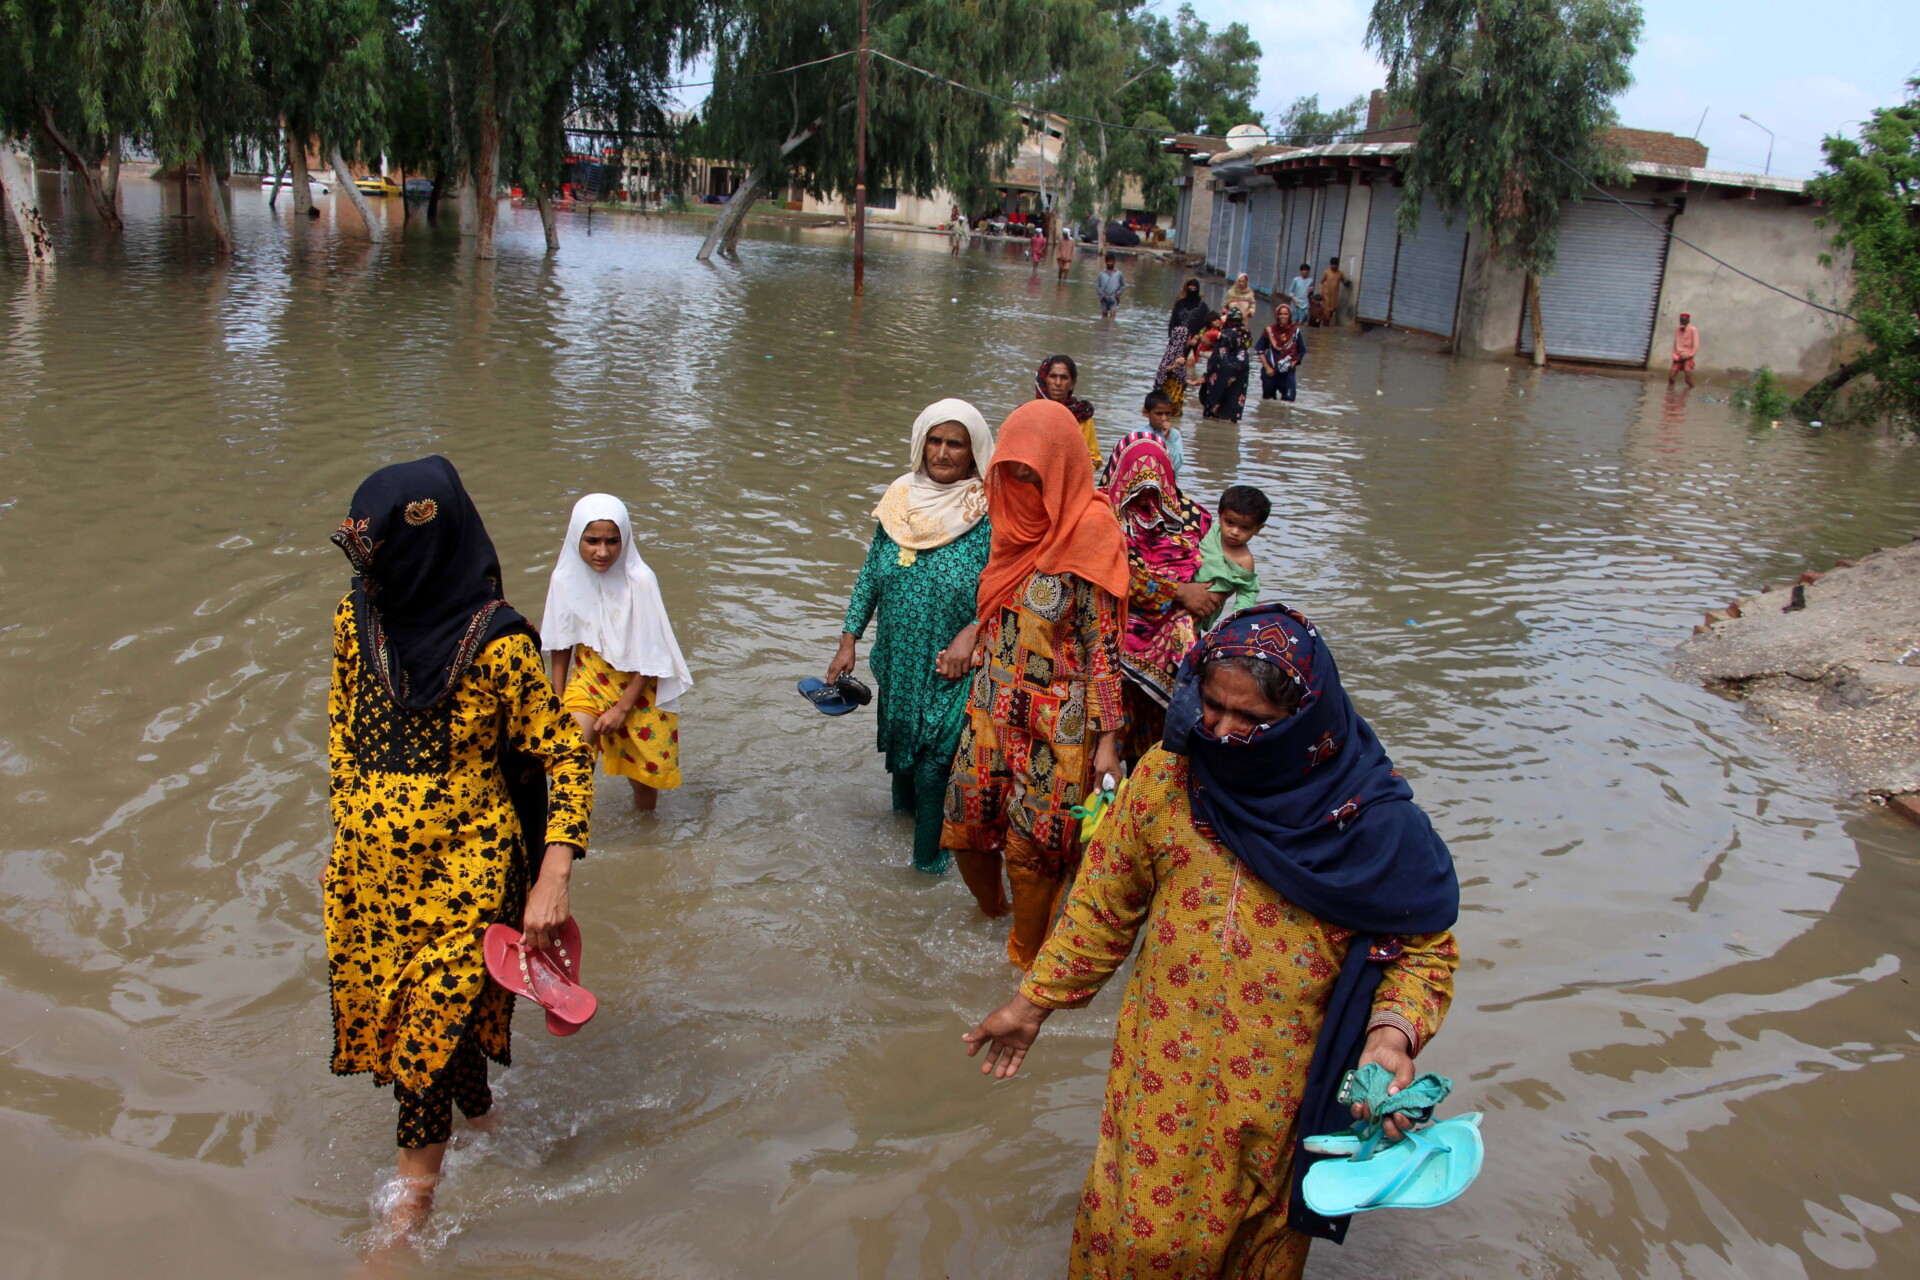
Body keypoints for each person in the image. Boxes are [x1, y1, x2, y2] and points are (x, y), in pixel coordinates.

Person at [963, 605, 1462, 1280]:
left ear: (1308, 723)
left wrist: (1390, 1037)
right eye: (1213, 707)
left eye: (1252, 720)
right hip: (1158, 1088)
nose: (1222, 732)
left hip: (1283, 1099)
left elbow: (1423, 950)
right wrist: (1031, 1005)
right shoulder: (1168, 784)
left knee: (1258, 1250)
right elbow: (1101, 909)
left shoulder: (1368, 827)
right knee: (1134, 1244)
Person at [325, 457, 595, 1242]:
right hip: (373, 875)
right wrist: (341, 839)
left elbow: (566, 755)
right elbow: (344, 735)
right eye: (362, 562)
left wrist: (553, 873)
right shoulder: (357, 623)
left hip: (468, 870)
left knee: (425, 1039)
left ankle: (409, 1209)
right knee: (419, 1021)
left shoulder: (498, 645)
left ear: (428, 546)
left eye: (380, 560)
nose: (369, 578)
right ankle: (483, 1117)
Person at [941, 399, 1129, 969]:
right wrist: (974, 635)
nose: (1021, 484)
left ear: (1063, 467)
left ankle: (1027, 962)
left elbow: (1104, 650)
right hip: (992, 706)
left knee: (1033, 851)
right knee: (966, 824)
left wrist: (1108, 741)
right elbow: (998, 603)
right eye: (1011, 471)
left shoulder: (1090, 532)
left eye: (1034, 474)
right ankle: (994, 915)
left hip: (1060, 725)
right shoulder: (1007, 522)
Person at [829, 400, 996, 873]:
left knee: (933, 767)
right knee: (902, 753)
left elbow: (1008, 583)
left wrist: (973, 631)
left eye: (955, 443)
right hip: (899, 656)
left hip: (954, 661)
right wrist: (849, 639)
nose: (943, 453)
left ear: (974, 451)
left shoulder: (988, 509)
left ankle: (928, 869)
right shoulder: (900, 498)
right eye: (935, 441)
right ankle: (902, 838)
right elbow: (870, 574)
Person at [542, 494, 693, 813]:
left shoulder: (640, 580)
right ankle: (565, 840)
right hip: (589, 680)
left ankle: (646, 839)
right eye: (592, 541)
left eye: (613, 541)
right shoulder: (564, 577)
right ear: (575, 538)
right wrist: (556, 698)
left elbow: (653, 655)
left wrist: (623, 709)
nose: (603, 551)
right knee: (570, 756)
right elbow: (561, 641)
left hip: (640, 690)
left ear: (625, 538)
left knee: (643, 784)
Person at [1099, 430, 1216, 760]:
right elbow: (1115, 574)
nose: (1146, 492)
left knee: (1157, 750)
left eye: (1154, 481)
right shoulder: (1101, 515)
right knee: (1108, 738)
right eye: (1138, 482)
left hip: (1169, 656)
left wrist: (1207, 597)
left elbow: (1220, 567)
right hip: (1112, 643)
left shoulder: (1191, 517)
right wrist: (1179, 592)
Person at [1195, 484, 1269, 630]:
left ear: (1258, 529)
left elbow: (1247, 593)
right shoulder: (1208, 530)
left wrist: (1235, 622)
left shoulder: (1244, 561)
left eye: (1245, 528)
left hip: (1202, 610)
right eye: (1229, 522)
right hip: (1179, 591)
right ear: (1220, 515)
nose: (1235, 532)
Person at [1036, 354, 1103, 469]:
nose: (1058, 383)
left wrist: (1073, 472)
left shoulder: (1082, 414)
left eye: (1064, 377)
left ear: (1072, 383)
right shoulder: (1028, 414)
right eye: (1053, 376)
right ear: (1044, 380)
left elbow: (1094, 458)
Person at [1199, 313, 1252, 424]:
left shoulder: (1220, 352)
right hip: (1232, 413)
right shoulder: (1243, 355)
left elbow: (1212, 372)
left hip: (1213, 412)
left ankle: (1213, 412)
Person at [1256, 302, 1307, 403]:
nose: (1283, 316)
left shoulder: (1295, 332)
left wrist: (1294, 362)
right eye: (1281, 314)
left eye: (1285, 314)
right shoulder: (1269, 331)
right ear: (1277, 315)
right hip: (1271, 372)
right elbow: (1260, 350)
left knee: (1289, 400)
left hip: (1287, 371)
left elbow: (1302, 350)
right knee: (1268, 401)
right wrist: (1267, 368)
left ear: (1290, 316)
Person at [1137, 389, 1184, 475]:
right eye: (1159, 414)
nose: (1164, 418)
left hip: (1167, 486)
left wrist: (1167, 438)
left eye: (1168, 413)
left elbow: (1175, 466)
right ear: (1146, 412)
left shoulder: (1174, 435)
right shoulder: (1137, 434)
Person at [1153, 321, 1196, 415]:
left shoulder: (1180, 353)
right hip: (1170, 392)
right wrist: (1175, 365)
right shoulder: (1172, 353)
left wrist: (1194, 382)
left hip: (1176, 393)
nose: (1190, 340)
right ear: (1183, 338)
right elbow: (1163, 370)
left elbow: (1182, 375)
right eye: (1189, 337)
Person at [1669, 312, 1700, 388]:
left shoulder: (1693, 330)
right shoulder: (1678, 330)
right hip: (1678, 355)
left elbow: (1696, 345)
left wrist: (1690, 355)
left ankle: (1691, 389)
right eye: (1681, 320)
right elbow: (1675, 343)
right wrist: (1674, 354)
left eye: (1684, 320)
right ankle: (1670, 394)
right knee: (1671, 378)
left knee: (1688, 380)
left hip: (1688, 356)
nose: (1682, 322)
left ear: (1688, 321)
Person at [1314, 256, 1346, 327]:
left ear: (1337, 265)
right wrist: (1321, 292)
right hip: (1326, 295)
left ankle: (1325, 325)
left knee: (1331, 311)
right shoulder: (1326, 272)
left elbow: (1344, 281)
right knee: (1326, 311)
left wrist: (1347, 283)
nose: (1334, 266)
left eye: (1335, 264)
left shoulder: (1340, 274)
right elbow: (1321, 282)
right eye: (1333, 264)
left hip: (1334, 296)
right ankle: (1323, 326)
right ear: (1330, 264)